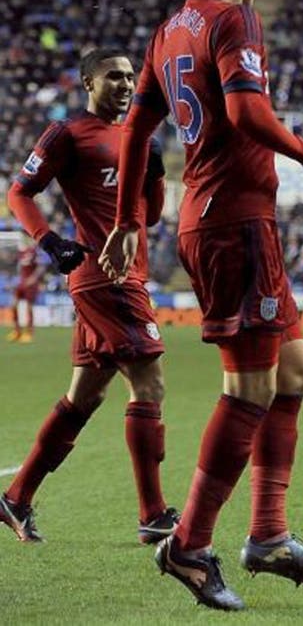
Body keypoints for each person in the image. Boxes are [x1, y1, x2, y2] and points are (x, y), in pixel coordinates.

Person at [99, 0, 303, 611]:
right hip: (234, 223)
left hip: (216, 219)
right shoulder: (236, 20)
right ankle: (190, 545)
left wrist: (127, 221)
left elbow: (137, 127)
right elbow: (245, 113)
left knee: (293, 371)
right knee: (249, 391)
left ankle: (267, 533)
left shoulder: (171, 27)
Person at [2, 48, 177, 545]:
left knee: (85, 396)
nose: (125, 84)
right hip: (105, 278)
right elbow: (20, 192)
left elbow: (154, 215)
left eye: (130, 77)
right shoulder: (68, 134)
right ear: (87, 83)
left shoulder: (139, 136)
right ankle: (153, 513)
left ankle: (15, 496)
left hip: (129, 273)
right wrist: (50, 241)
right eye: (113, 77)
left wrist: (156, 169)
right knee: (150, 383)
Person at [6, 240, 45, 343]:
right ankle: (17, 331)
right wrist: (13, 280)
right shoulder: (21, 252)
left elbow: (41, 267)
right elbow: (18, 267)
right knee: (13, 305)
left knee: (29, 307)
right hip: (21, 282)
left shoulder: (35, 251)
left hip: (31, 283)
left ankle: (29, 333)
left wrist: (34, 278)